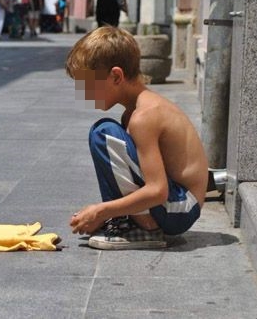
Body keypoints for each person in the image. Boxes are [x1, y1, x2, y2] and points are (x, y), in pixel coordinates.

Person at [65, 27, 208, 250]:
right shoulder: (132, 112)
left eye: (88, 84)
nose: (85, 94)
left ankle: (147, 228)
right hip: (175, 204)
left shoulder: (144, 117)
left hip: (181, 208)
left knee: (103, 134)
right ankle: (128, 221)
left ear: (116, 76)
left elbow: (157, 190)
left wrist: (102, 210)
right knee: (104, 133)